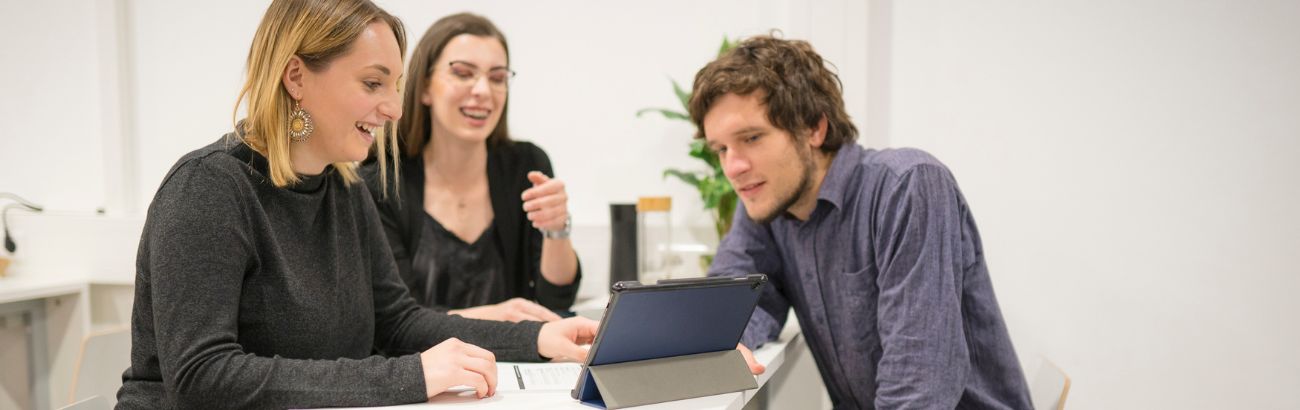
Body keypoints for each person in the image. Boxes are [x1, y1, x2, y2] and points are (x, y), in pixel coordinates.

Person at [116, 1, 596, 408]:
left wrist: (537, 340)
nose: (395, 108)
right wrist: (409, 377)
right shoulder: (209, 188)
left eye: (396, 85)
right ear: (296, 77)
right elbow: (203, 377)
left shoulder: (345, 189)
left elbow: (399, 322)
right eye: (373, 84)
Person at [694, 35, 1032, 409]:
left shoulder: (908, 186)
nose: (734, 167)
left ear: (814, 129)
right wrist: (730, 338)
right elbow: (734, 299)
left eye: (752, 137)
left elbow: (918, 390)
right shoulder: (769, 202)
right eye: (721, 149)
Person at [361, 13, 580, 323]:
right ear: (424, 87)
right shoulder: (380, 182)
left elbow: (556, 300)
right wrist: (500, 317)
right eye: (463, 73)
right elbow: (396, 324)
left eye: (497, 77)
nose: (483, 91)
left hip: (520, 365)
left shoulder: (527, 165)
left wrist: (557, 230)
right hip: (428, 366)